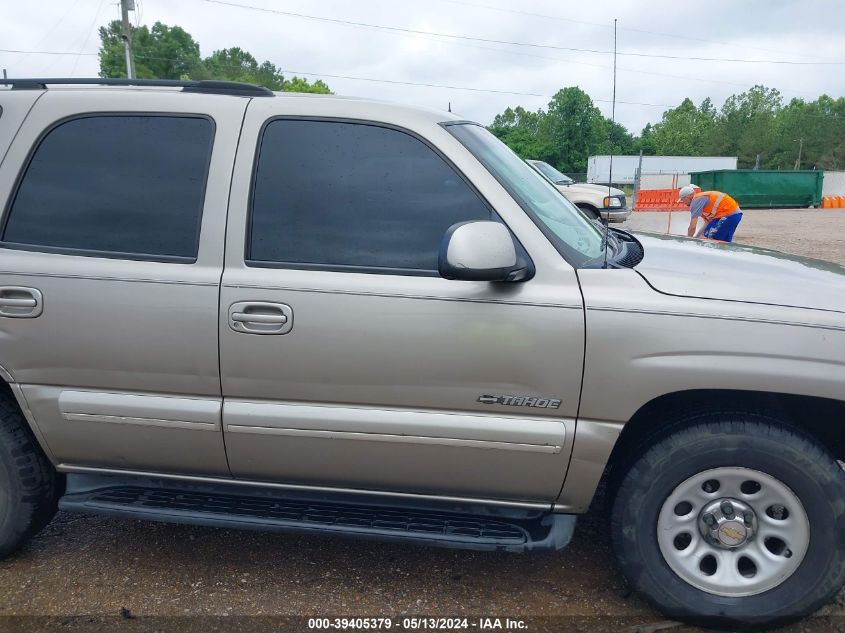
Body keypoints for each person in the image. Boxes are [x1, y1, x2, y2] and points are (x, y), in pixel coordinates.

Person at [678, 184, 743, 242]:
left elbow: (692, 227)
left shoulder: (696, 201)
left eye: (683, 200)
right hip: (733, 215)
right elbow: (707, 223)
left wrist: (688, 241)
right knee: (722, 241)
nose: (684, 202)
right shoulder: (701, 201)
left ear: (687, 197)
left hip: (728, 215)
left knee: (709, 240)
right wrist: (696, 237)